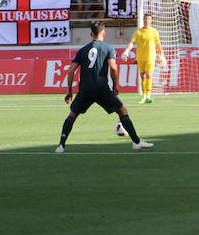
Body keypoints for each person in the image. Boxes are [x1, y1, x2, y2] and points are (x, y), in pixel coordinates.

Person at [57, 21, 153, 153]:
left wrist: (69, 91)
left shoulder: (82, 50)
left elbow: (70, 71)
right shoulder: (108, 48)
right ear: (104, 33)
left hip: (85, 89)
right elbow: (113, 68)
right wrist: (115, 85)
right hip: (101, 88)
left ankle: (61, 145)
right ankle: (136, 142)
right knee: (122, 111)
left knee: (72, 115)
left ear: (91, 34)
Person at [121, 13, 166, 104]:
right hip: (140, 57)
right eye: (145, 19)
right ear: (143, 20)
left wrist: (162, 56)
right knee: (143, 76)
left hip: (151, 57)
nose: (147, 20)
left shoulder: (154, 31)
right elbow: (132, 42)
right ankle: (144, 95)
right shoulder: (138, 32)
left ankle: (148, 96)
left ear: (151, 20)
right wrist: (126, 51)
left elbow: (158, 45)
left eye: (149, 19)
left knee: (149, 75)